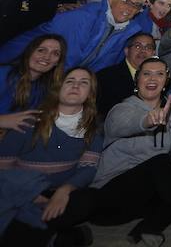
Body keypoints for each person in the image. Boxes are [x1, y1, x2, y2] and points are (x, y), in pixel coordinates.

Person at [55, 58, 171, 244]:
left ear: (166, 81)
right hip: (111, 198)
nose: (153, 78)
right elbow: (122, 126)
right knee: (162, 162)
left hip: (148, 200)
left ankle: (149, 227)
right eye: (147, 73)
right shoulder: (121, 109)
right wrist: (147, 121)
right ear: (138, 80)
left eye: (159, 74)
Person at [0, 67, 102, 244]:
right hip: (18, 189)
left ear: (90, 93)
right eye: (70, 81)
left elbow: (87, 169)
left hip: (59, 192)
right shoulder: (29, 121)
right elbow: (3, 166)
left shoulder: (93, 129)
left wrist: (64, 190)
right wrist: (29, 194)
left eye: (84, 83)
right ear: (58, 88)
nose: (76, 85)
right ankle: (65, 238)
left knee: (89, 199)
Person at [0, 0, 145, 72]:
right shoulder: (84, 16)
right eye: (125, 1)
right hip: (17, 65)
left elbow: (104, 66)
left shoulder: (127, 32)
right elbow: (67, 58)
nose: (129, 8)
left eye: (136, 5)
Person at [0, 34, 66, 131]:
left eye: (55, 53)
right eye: (41, 50)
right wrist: (3, 121)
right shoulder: (4, 74)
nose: (47, 57)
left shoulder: (44, 89)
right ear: (29, 52)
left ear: (57, 62)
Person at [95, 32, 155, 116]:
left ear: (153, 54)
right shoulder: (106, 77)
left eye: (148, 47)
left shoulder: (158, 80)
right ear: (127, 51)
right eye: (138, 46)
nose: (143, 51)